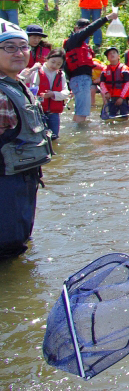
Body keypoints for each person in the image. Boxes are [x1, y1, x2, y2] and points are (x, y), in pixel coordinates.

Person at [0, 19, 52, 258]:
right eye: (9, 47)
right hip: (7, 182)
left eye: (23, 46)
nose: (19, 52)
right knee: (8, 249)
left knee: (19, 241)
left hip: (22, 178)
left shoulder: (16, 83)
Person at [63, 13, 118, 123]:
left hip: (82, 79)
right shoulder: (74, 39)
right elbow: (90, 28)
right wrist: (107, 18)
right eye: (84, 28)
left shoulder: (79, 44)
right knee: (82, 112)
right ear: (76, 28)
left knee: (81, 110)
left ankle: (78, 133)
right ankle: (80, 137)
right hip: (80, 79)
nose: (87, 32)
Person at [32, 48, 69, 139]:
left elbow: (66, 92)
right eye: (53, 62)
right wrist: (41, 97)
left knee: (54, 137)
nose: (54, 65)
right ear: (47, 59)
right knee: (40, 138)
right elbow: (32, 91)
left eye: (58, 64)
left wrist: (53, 94)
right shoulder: (37, 71)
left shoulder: (61, 75)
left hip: (54, 113)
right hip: (39, 111)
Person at [99, 47, 129, 119]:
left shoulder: (124, 69)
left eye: (114, 53)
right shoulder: (105, 70)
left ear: (118, 56)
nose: (112, 55)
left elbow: (128, 84)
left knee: (124, 117)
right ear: (108, 58)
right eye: (110, 54)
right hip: (111, 98)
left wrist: (121, 97)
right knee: (111, 116)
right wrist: (106, 92)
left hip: (123, 98)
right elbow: (102, 83)